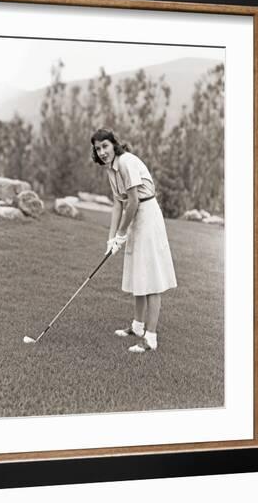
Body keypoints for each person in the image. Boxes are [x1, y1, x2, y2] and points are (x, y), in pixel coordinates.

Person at [91, 128, 177, 353]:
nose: (102, 152)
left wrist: (121, 233)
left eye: (105, 146)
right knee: (138, 271)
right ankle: (138, 327)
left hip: (147, 215)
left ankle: (151, 337)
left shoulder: (126, 162)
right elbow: (118, 204)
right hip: (136, 215)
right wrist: (111, 239)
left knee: (151, 276)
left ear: (114, 145)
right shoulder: (111, 169)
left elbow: (134, 202)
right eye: (98, 148)